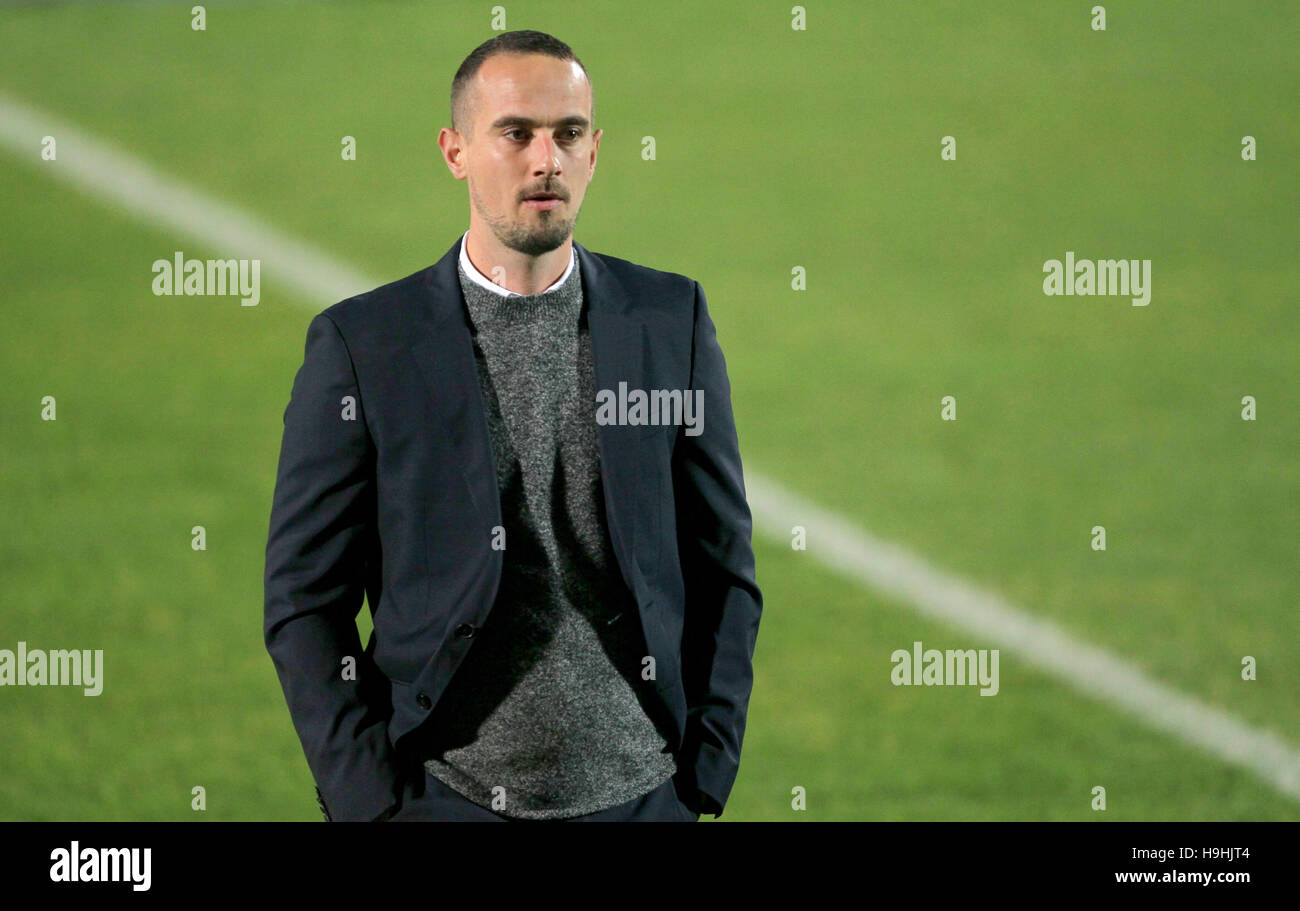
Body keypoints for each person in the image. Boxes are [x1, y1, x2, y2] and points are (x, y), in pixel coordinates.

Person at [263, 29, 762, 822]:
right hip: (441, 799)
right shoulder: (365, 345)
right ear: (455, 151)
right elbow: (303, 598)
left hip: (642, 796)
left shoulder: (671, 322)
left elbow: (724, 564)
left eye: (568, 134)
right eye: (516, 132)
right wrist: (370, 800)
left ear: (595, 152)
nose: (546, 159)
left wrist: (703, 770)